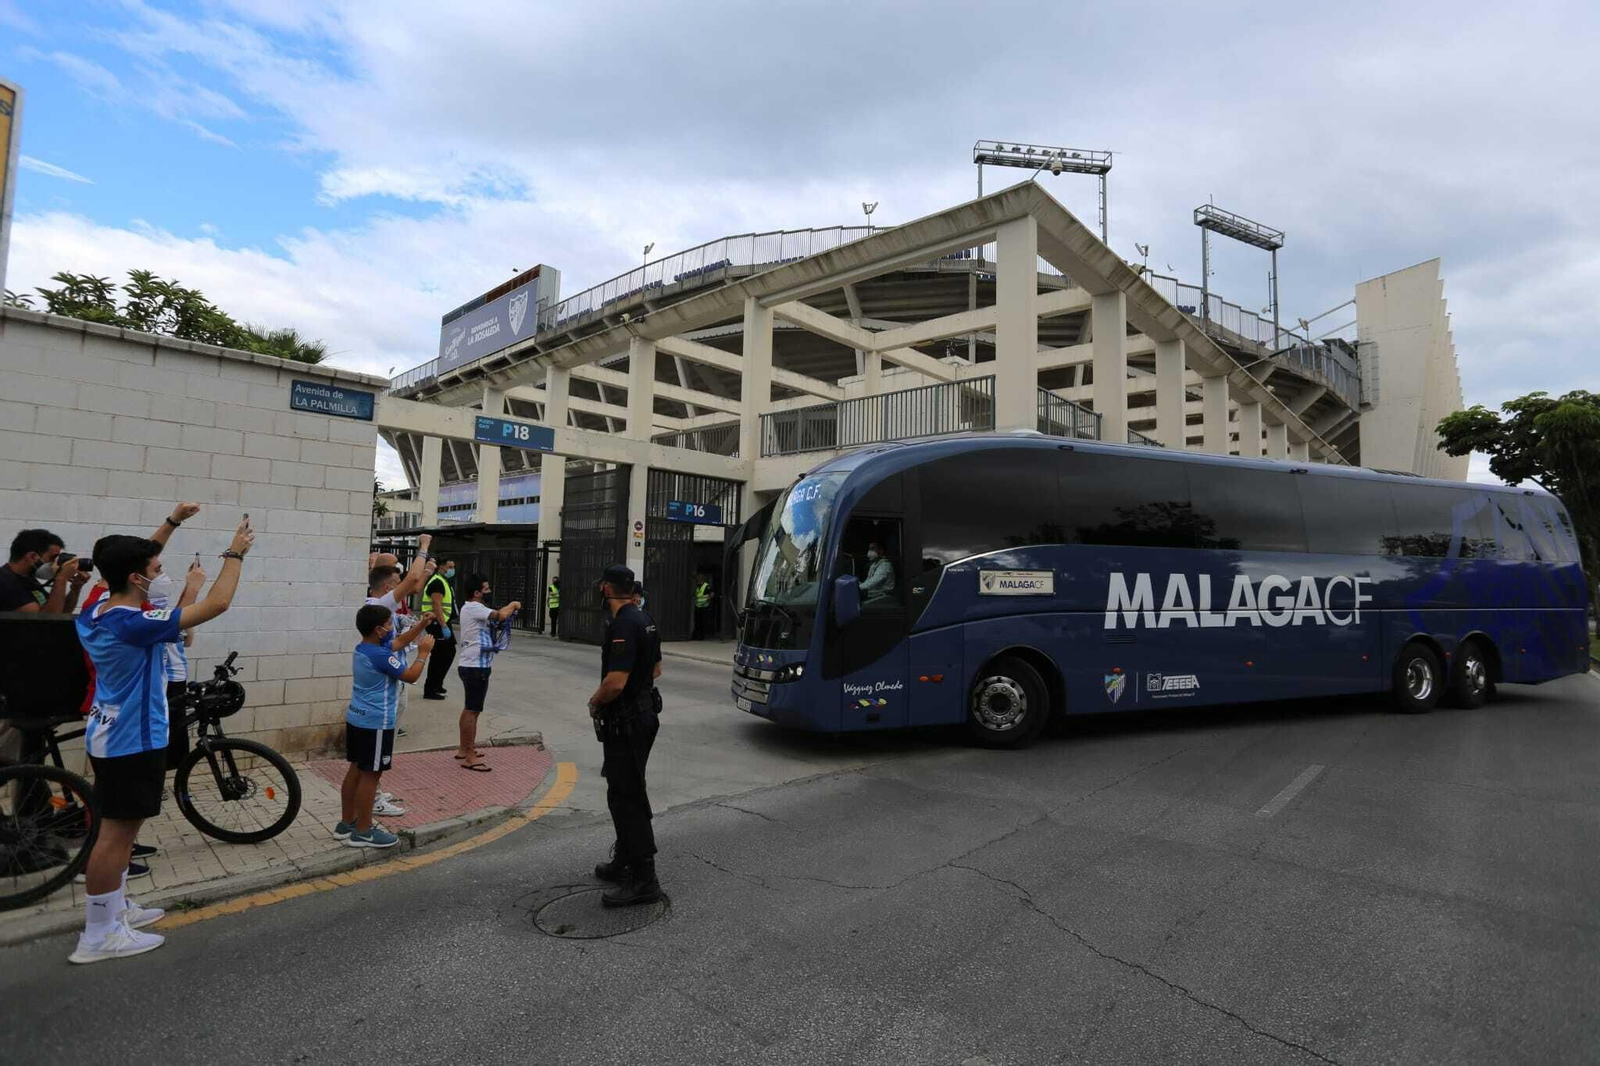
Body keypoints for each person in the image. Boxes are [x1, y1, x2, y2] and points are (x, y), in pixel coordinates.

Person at [69, 518, 253, 964]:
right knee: (115, 834)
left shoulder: (97, 608)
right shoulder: (132, 623)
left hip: (112, 731)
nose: (159, 574)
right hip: (132, 737)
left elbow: (132, 565)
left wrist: (170, 524)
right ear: (135, 578)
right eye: (155, 569)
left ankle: (115, 907)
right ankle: (98, 933)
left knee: (124, 830)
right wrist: (235, 554)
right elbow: (218, 603)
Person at [587, 563, 663, 907]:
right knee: (623, 790)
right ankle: (625, 861)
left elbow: (615, 682)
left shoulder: (623, 624)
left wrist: (595, 701)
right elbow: (656, 669)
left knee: (627, 796)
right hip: (642, 716)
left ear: (606, 589)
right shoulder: (644, 619)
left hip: (629, 721)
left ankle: (644, 879)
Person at [335, 604, 433, 849]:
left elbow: (398, 643)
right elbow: (410, 675)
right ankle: (364, 832)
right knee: (371, 775)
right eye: (389, 624)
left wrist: (421, 626)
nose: (393, 629)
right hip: (376, 723)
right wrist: (423, 653)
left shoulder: (366, 649)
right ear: (378, 630)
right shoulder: (380, 655)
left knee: (356, 769)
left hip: (358, 719)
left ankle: (346, 823)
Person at [452, 574, 520, 772]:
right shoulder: (474, 607)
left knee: (469, 708)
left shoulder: (473, 608)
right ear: (477, 593)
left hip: (473, 664)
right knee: (472, 710)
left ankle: (464, 749)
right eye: (487, 589)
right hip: (475, 667)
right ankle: (470, 756)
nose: (489, 592)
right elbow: (500, 616)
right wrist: (514, 604)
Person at [2, 529, 89, 614]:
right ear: (32, 556)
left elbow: (62, 613)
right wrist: (61, 578)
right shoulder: (5, 581)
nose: (55, 563)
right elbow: (46, 621)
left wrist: (75, 588)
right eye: (53, 558)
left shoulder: (27, 579)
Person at [422, 559, 458, 700]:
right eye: (450, 567)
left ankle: (436, 684)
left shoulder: (443, 580)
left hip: (441, 621)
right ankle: (431, 689)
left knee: (447, 653)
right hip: (436, 622)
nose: (452, 570)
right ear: (441, 567)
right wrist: (443, 626)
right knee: (440, 655)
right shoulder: (437, 581)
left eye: (453, 567)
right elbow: (436, 604)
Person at [691, 571, 714, 640]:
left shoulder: (707, 586)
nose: (698, 579)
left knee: (702, 622)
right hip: (697, 606)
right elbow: (695, 595)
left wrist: (707, 600)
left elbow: (712, 594)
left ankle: (701, 636)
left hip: (704, 607)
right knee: (696, 621)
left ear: (702, 578)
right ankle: (695, 636)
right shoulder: (697, 586)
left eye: (699, 577)